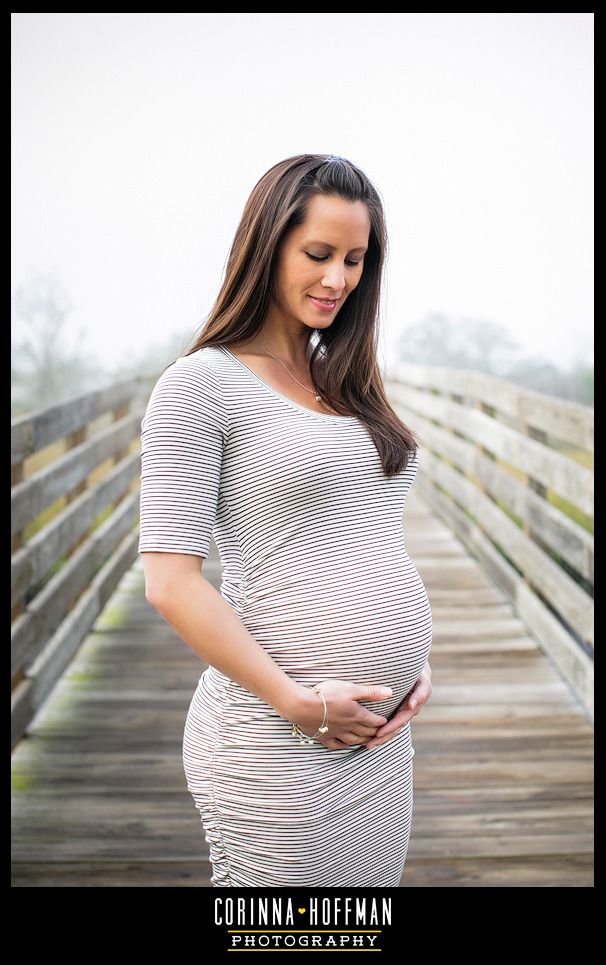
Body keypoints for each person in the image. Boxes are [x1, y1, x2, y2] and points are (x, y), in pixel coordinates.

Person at [138, 153, 433, 888]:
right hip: (276, 737)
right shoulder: (200, 386)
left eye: (356, 259)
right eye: (318, 254)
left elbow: (361, 536)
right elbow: (170, 584)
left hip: (375, 741)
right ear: (267, 246)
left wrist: (407, 664)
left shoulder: (344, 383)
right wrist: (295, 702)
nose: (338, 278)